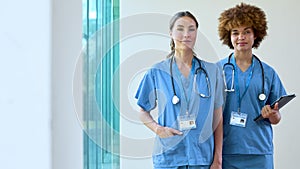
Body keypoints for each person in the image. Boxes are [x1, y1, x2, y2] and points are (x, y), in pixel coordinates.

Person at [135, 11, 223, 169]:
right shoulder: (157, 71)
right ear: (171, 33)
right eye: (180, 29)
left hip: (202, 157)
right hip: (169, 157)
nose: (186, 34)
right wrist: (158, 129)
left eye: (191, 29)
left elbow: (217, 117)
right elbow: (142, 109)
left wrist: (218, 159)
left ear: (196, 33)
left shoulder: (212, 71)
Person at [217, 3, 287, 169]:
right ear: (229, 36)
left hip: (259, 151)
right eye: (236, 32)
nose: (241, 37)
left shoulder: (267, 72)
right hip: (227, 151)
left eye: (247, 32)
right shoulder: (217, 70)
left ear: (256, 35)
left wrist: (272, 114)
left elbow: (276, 119)